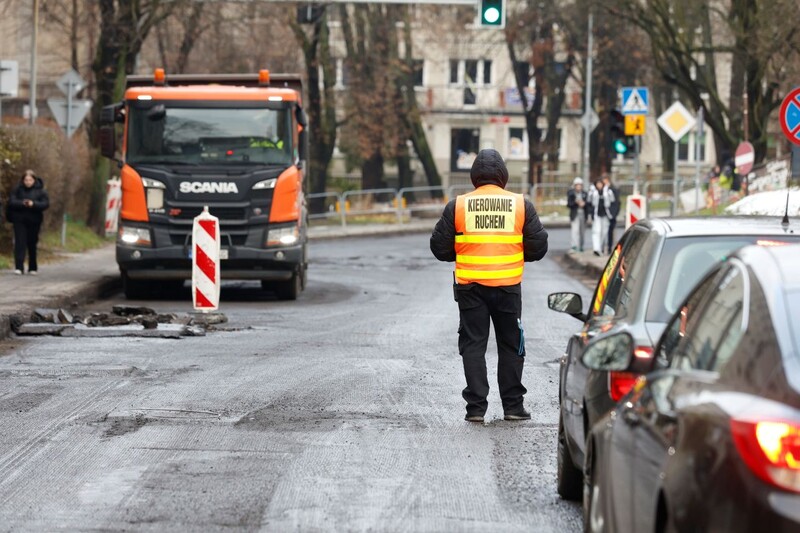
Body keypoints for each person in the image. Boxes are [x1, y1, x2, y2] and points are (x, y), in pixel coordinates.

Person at [430, 149, 548, 423]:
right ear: (503, 176)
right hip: (508, 287)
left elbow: (439, 247)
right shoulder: (520, 205)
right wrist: (517, 253)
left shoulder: (458, 206)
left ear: (474, 178)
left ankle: (476, 409)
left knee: (473, 345)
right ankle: (513, 407)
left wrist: (461, 252)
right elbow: (539, 247)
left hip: (471, 288)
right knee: (511, 346)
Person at [7, 170, 49, 275]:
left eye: (30, 180)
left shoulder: (41, 191)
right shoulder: (17, 190)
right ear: (23, 180)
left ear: (34, 180)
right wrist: (22, 203)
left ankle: (32, 267)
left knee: (32, 243)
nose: (28, 182)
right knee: (19, 243)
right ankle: (19, 267)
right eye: (26, 180)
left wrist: (33, 204)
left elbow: (45, 204)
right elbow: (11, 202)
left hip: (34, 221)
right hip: (19, 220)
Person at [588, 178, 615, 256]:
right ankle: (596, 248)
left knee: (604, 232)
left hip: (606, 215)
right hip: (597, 215)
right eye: (597, 184)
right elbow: (589, 202)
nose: (599, 185)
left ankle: (600, 248)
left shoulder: (608, 192)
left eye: (600, 183)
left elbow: (613, 202)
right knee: (596, 231)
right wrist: (591, 213)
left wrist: (611, 213)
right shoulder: (593, 192)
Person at [567, 177, 590, 252]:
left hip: (583, 214)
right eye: (577, 185)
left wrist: (584, 204)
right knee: (574, 230)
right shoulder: (571, 194)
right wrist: (576, 203)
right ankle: (574, 246)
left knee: (582, 232)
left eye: (580, 185)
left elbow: (589, 203)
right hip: (575, 214)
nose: (579, 187)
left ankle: (581, 246)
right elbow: (569, 204)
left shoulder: (585, 194)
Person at [603, 175, 621, 254]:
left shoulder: (613, 190)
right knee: (603, 232)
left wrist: (614, 213)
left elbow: (617, 202)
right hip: (603, 213)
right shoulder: (602, 190)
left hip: (611, 213)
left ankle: (610, 248)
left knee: (611, 231)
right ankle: (603, 248)